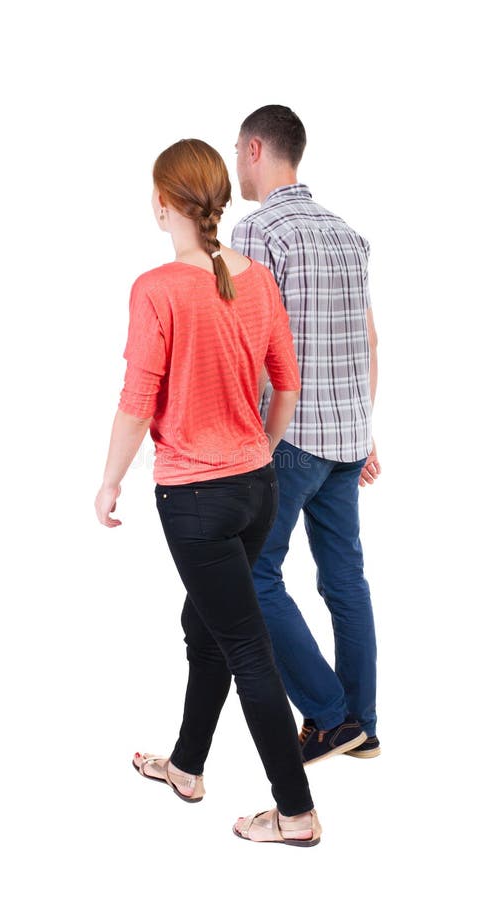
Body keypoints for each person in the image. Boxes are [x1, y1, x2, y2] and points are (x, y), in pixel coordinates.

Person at [94, 138, 322, 847]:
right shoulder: (256, 280)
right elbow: (287, 382)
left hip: (196, 502)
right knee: (208, 628)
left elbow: (137, 401)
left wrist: (107, 483)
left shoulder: (157, 288)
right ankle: (187, 767)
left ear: (163, 202)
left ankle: (295, 814)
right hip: (256, 489)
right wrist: (260, 445)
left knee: (244, 647)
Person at [231, 105, 382, 765]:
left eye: (238, 150)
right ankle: (363, 723)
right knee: (346, 578)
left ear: (257, 148)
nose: (236, 162)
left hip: (287, 439)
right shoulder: (349, 235)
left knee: (248, 572)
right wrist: (365, 431)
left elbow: (247, 346)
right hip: (348, 439)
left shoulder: (257, 230)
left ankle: (326, 717)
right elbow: (370, 340)